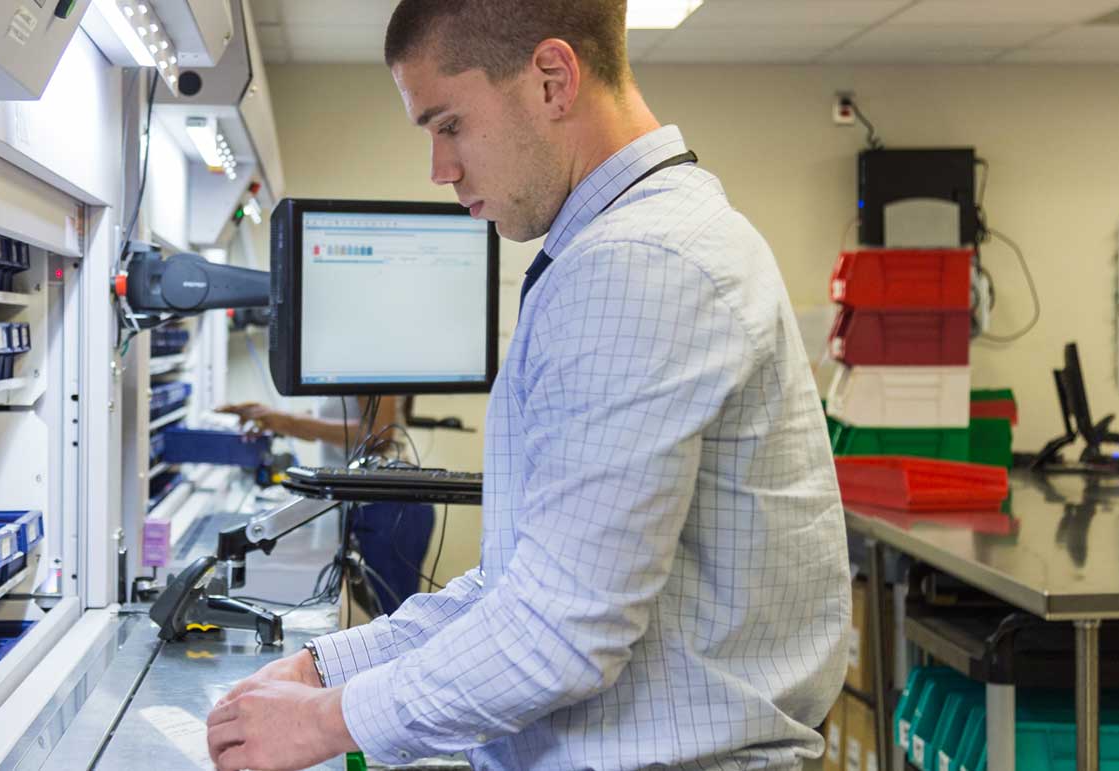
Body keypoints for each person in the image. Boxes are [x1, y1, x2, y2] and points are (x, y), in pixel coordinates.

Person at [204, 1, 850, 770]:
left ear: (552, 79)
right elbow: (521, 584)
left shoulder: (638, 264)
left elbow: (558, 630)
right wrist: (324, 669)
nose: (440, 169)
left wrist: (322, 722)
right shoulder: (621, 249)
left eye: (448, 125)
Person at [217, 397, 437, 613]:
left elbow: (379, 434)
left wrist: (287, 421)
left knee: (398, 619)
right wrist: (271, 418)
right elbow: (332, 420)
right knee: (382, 612)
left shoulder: (370, 361)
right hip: (360, 500)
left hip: (389, 505)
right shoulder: (332, 368)